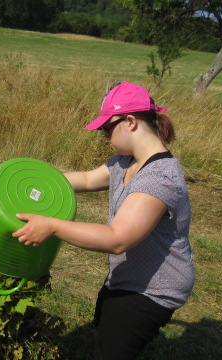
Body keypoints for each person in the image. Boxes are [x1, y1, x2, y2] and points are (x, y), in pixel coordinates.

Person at [12, 81, 195, 360]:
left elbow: (117, 239)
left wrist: (52, 226)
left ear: (130, 121)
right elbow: (86, 179)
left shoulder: (159, 178)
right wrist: (36, 180)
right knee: (106, 329)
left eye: (107, 129)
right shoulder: (124, 161)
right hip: (127, 278)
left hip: (152, 290)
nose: (104, 136)